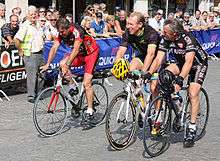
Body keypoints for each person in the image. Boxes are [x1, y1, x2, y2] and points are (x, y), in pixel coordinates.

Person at [145, 19, 208, 147]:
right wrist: (149, 72)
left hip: (198, 65)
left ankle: (192, 126)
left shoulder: (188, 39)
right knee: (164, 76)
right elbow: (158, 58)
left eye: (166, 32)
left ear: (174, 33)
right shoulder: (166, 38)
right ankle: (175, 103)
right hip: (180, 63)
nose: (163, 34)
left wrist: (180, 79)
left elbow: (189, 62)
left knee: (192, 92)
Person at [41, 18, 99, 125]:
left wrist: (68, 65)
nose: (61, 34)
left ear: (68, 28)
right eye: (59, 32)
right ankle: (73, 86)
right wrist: (47, 64)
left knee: (87, 83)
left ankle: (90, 110)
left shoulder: (76, 31)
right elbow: (54, 48)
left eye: (63, 31)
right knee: (62, 63)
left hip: (91, 54)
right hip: (79, 55)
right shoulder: (61, 33)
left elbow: (76, 49)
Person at [114, 12, 160, 127]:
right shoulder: (128, 33)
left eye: (131, 24)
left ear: (140, 24)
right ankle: (143, 107)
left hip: (157, 58)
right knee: (132, 68)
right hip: (142, 56)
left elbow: (151, 54)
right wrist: (116, 65)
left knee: (153, 87)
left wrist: (144, 73)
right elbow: (120, 52)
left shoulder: (151, 33)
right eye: (127, 23)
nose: (128, 26)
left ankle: (158, 114)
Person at [14, 5, 44, 103]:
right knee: (32, 76)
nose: (33, 16)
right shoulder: (25, 26)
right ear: (27, 15)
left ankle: (39, 93)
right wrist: (20, 51)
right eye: (31, 14)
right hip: (30, 53)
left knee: (42, 74)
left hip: (40, 52)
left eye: (35, 13)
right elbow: (16, 39)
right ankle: (31, 96)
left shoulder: (38, 24)